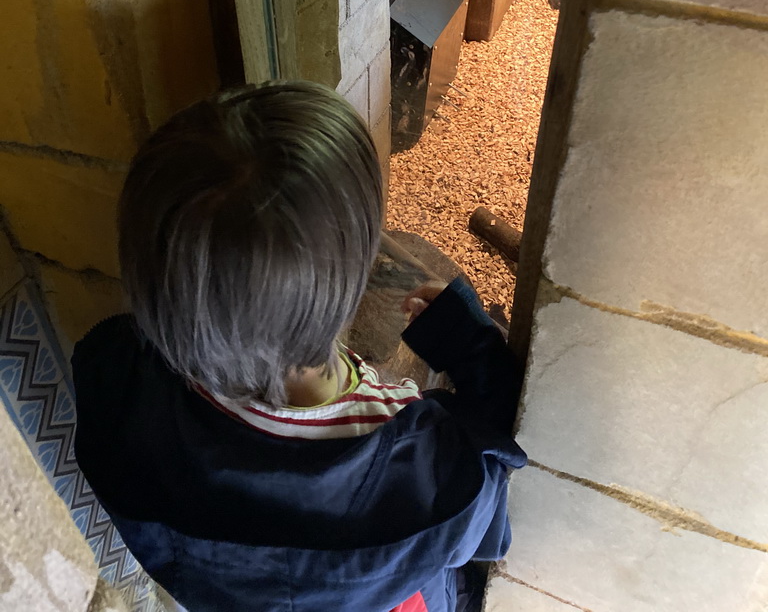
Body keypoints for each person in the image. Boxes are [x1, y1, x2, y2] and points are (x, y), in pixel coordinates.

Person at [72, 81, 526, 612]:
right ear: (353, 283)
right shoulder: (420, 455)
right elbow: (488, 519)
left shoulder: (119, 390)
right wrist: (471, 347)